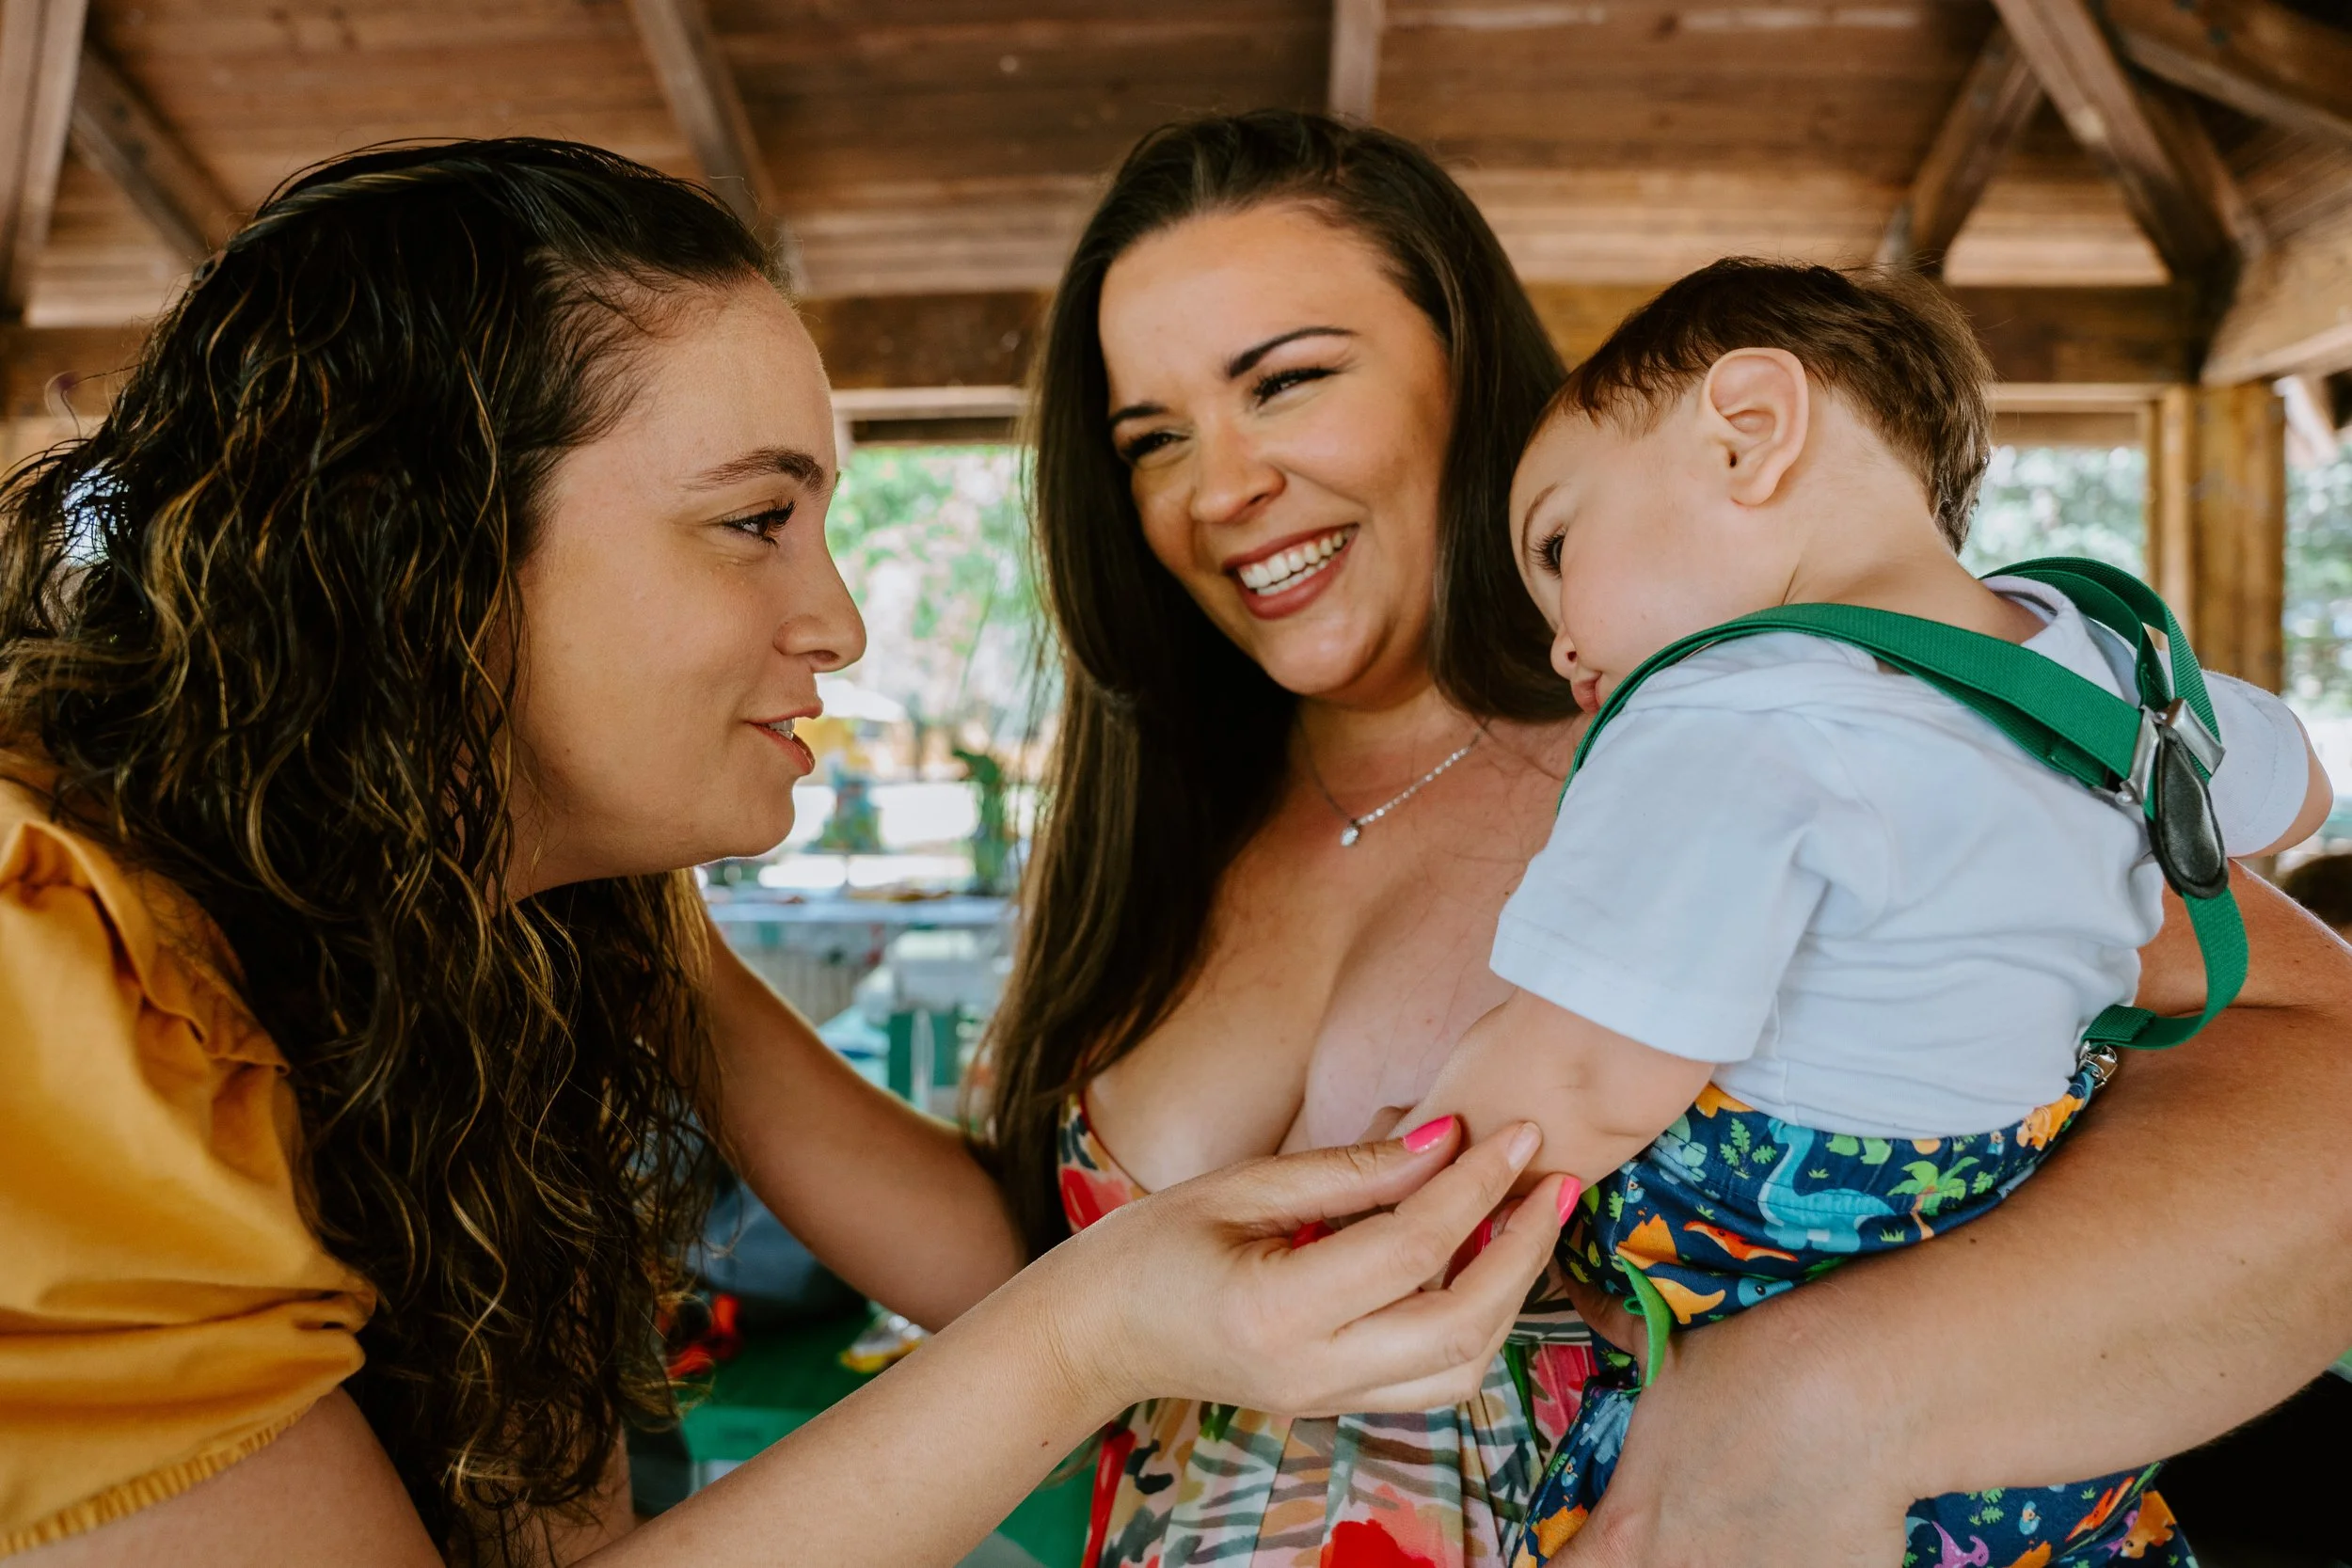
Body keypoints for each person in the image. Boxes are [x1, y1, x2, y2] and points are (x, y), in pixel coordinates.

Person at [0, 138, 1575, 1567]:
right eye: (758, 519)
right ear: (412, 548)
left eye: (1287, 379)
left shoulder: (503, 976)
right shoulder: (58, 966)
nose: (843, 622)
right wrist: (1086, 1329)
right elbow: (1047, 1267)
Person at [874, 108, 2352, 1568]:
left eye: (1287, 380)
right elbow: (1040, 1293)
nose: (1217, 487)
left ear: (1469, 374)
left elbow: (2322, 1072)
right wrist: (728, 1005)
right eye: (1152, 439)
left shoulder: (1802, 736)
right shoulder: (1176, 817)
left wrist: (1838, 1396)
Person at [1393, 259, 2329, 1567]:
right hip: (2033, 1422)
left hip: (1756, 1369)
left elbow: (1587, 1078)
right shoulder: (2113, 672)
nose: (1558, 642)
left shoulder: (1722, 713)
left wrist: (1408, 1195)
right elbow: (2298, 788)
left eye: (1557, 547)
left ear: (1748, 433)